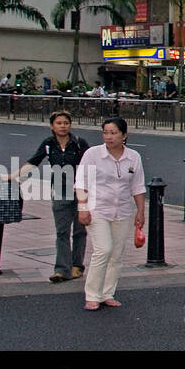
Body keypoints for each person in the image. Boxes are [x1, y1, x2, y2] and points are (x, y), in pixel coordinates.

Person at [74, 118, 145, 311]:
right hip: (97, 209)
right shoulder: (93, 154)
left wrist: (140, 211)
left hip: (122, 210)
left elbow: (137, 186)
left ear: (124, 135)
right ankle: (92, 294)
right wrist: (82, 208)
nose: (109, 137)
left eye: (113, 133)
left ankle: (107, 293)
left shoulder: (133, 157)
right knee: (103, 250)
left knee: (116, 255)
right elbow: (81, 182)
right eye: (106, 132)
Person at [10, 110, 89, 282]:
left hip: (81, 191)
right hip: (60, 191)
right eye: (59, 123)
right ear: (52, 126)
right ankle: (62, 270)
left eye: (66, 123)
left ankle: (77, 266)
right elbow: (34, 161)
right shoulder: (48, 144)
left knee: (79, 230)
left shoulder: (79, 143)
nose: (63, 126)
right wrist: (14, 176)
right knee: (62, 231)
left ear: (70, 125)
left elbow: (90, 163)